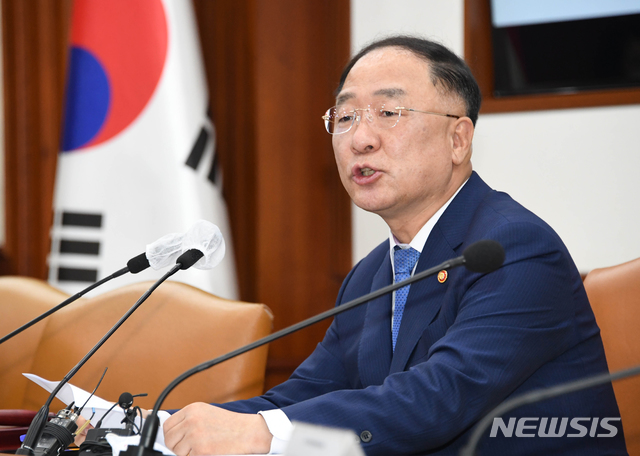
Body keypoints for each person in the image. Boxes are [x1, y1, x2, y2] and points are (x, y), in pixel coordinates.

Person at [161, 36, 627, 455]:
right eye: (345, 117)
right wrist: (160, 430)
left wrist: (263, 434)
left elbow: (438, 398)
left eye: (389, 113)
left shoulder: (515, 249)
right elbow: (306, 395)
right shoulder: (370, 275)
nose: (360, 139)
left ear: (458, 139)